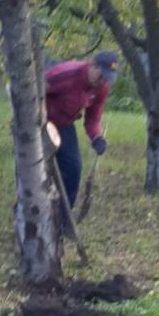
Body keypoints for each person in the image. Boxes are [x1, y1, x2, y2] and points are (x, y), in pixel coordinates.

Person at [44, 51, 119, 206]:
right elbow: (35, 93)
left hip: (64, 125)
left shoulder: (102, 88)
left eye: (107, 78)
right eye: (101, 75)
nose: (103, 81)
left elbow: (93, 117)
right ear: (93, 65)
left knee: (73, 168)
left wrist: (96, 137)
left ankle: (64, 220)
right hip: (41, 122)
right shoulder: (65, 74)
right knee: (38, 170)